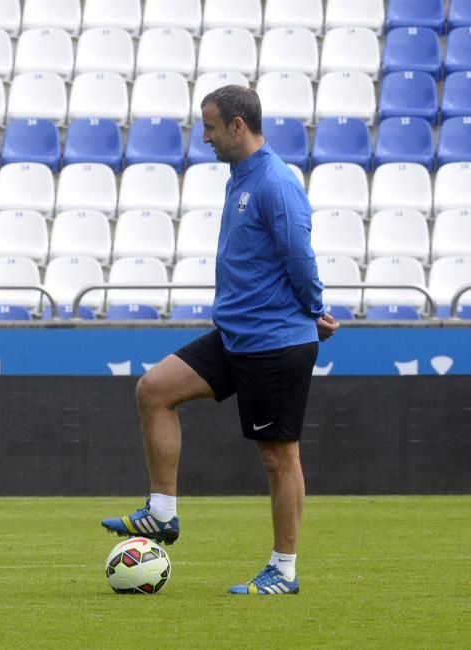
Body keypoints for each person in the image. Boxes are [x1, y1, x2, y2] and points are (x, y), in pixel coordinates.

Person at [101, 85, 339, 595]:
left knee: (279, 458)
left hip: (273, 343)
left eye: (210, 127)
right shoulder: (240, 178)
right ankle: (162, 514)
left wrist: (312, 309)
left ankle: (284, 571)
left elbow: (300, 255)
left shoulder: (274, 181)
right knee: (154, 389)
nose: (203, 137)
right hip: (235, 334)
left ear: (237, 126)